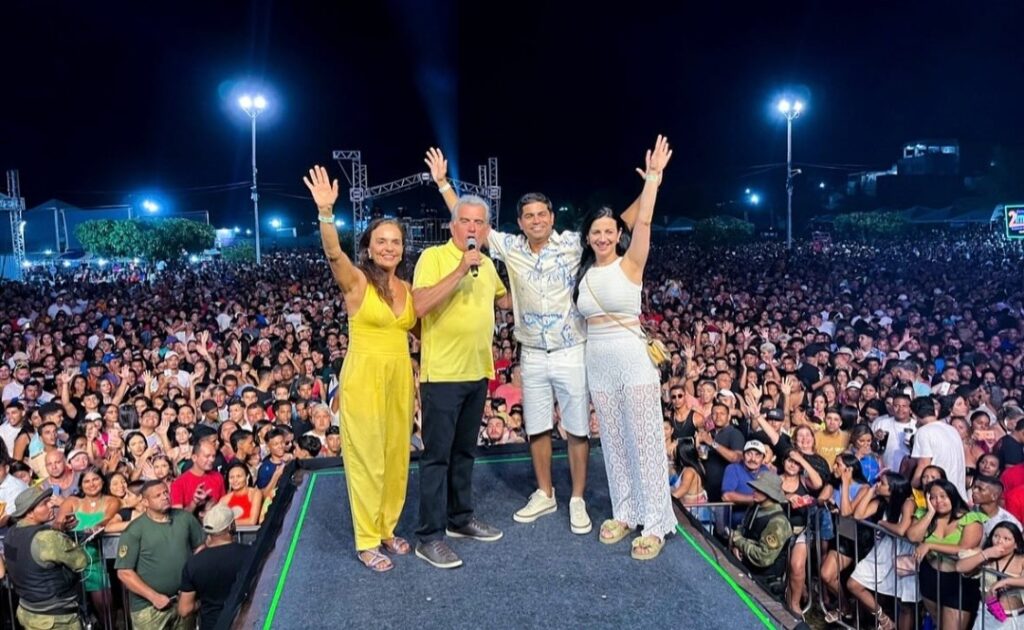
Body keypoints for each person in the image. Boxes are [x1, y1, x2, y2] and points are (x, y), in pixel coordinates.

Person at [425, 148, 644, 535]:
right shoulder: (509, 248)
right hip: (533, 354)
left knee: (577, 429)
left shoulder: (574, 244)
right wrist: (443, 183)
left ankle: (577, 498)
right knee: (537, 427)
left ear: (552, 218)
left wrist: (652, 184)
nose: (537, 220)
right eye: (529, 216)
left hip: (572, 350)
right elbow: (470, 223)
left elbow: (620, 222)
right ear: (520, 223)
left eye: (542, 214)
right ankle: (545, 493)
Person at [305, 165, 417, 572]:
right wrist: (325, 213)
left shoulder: (406, 288)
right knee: (367, 460)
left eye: (395, 242)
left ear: (402, 249)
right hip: (364, 379)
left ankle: (387, 527)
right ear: (368, 248)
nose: (389, 248)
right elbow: (334, 254)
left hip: (399, 379)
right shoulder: (357, 282)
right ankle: (367, 540)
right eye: (381, 241)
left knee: (395, 458)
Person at [575, 135, 674, 561]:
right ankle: (626, 512)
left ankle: (656, 523)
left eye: (608, 230)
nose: (602, 237)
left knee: (645, 440)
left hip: (632, 361)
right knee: (613, 441)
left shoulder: (630, 263)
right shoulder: (582, 273)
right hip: (598, 363)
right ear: (587, 237)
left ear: (619, 233)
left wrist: (652, 179)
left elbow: (644, 221)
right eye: (595, 231)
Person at [412, 192, 511, 569]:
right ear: (452, 226)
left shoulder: (487, 266)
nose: (472, 228)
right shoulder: (433, 257)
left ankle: (459, 518)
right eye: (465, 221)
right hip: (442, 375)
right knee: (436, 457)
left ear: (487, 230)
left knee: (465, 452)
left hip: (477, 372)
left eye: (478, 222)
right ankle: (429, 537)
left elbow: (504, 301)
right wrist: (459, 270)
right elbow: (420, 306)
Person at [114, 480, 204, 630]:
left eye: (166, 492)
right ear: (145, 502)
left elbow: (201, 547)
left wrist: (191, 586)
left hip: (183, 602)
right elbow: (124, 572)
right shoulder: (135, 529)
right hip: (149, 608)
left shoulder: (185, 518)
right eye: (157, 495)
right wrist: (153, 596)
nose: (165, 497)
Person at [907, 478, 987, 630]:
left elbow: (964, 548)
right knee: (939, 625)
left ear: (952, 495)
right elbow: (912, 536)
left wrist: (930, 545)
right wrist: (930, 513)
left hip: (958, 582)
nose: (938, 501)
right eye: (933, 497)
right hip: (930, 577)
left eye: (943, 496)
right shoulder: (925, 515)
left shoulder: (970, 518)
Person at [3, 486, 87, 630]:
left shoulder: (11, 533)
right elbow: (81, 561)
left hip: (28, 611)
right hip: (55, 618)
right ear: (29, 512)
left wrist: (58, 531)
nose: (51, 505)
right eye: (44, 503)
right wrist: (62, 536)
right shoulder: (47, 538)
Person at [177, 505, 248, 630]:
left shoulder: (194, 563)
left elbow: (184, 610)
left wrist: (201, 603)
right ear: (230, 527)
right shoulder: (250, 554)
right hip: (245, 623)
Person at [729, 471, 794, 575]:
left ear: (770, 493)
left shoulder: (778, 522)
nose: (754, 491)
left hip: (762, 576)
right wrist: (736, 545)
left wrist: (739, 542)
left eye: (759, 490)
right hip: (745, 566)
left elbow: (763, 557)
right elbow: (743, 528)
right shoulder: (755, 507)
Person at [910, 395, 967, 502]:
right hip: (959, 494)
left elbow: (923, 465)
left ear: (913, 415)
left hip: (940, 495)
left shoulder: (923, 432)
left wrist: (910, 488)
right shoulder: (952, 430)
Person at [170, 441, 226, 517]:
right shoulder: (178, 483)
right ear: (194, 458)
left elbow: (224, 506)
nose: (212, 459)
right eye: (207, 456)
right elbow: (178, 518)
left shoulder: (218, 477)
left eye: (213, 456)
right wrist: (194, 503)